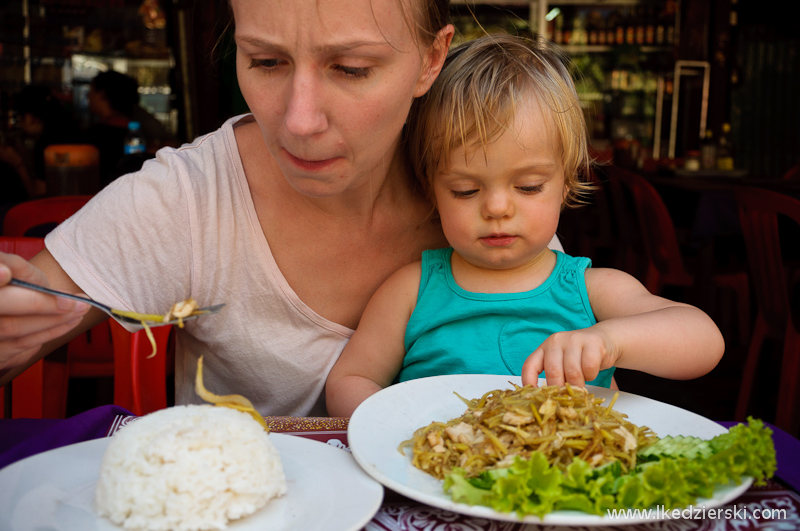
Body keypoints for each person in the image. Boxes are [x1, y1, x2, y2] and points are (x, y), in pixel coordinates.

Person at [0, 0, 566, 417]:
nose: (298, 121)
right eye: (266, 62)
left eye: (351, 68)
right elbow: (22, 323)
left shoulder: (491, 183)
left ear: (430, 59)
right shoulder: (190, 200)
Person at [325, 34, 725, 417]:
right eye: (465, 190)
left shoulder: (589, 290)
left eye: (528, 186)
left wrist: (608, 342)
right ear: (431, 191)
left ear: (565, 183)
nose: (497, 208)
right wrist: (397, 422)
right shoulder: (411, 291)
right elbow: (350, 380)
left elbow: (703, 340)